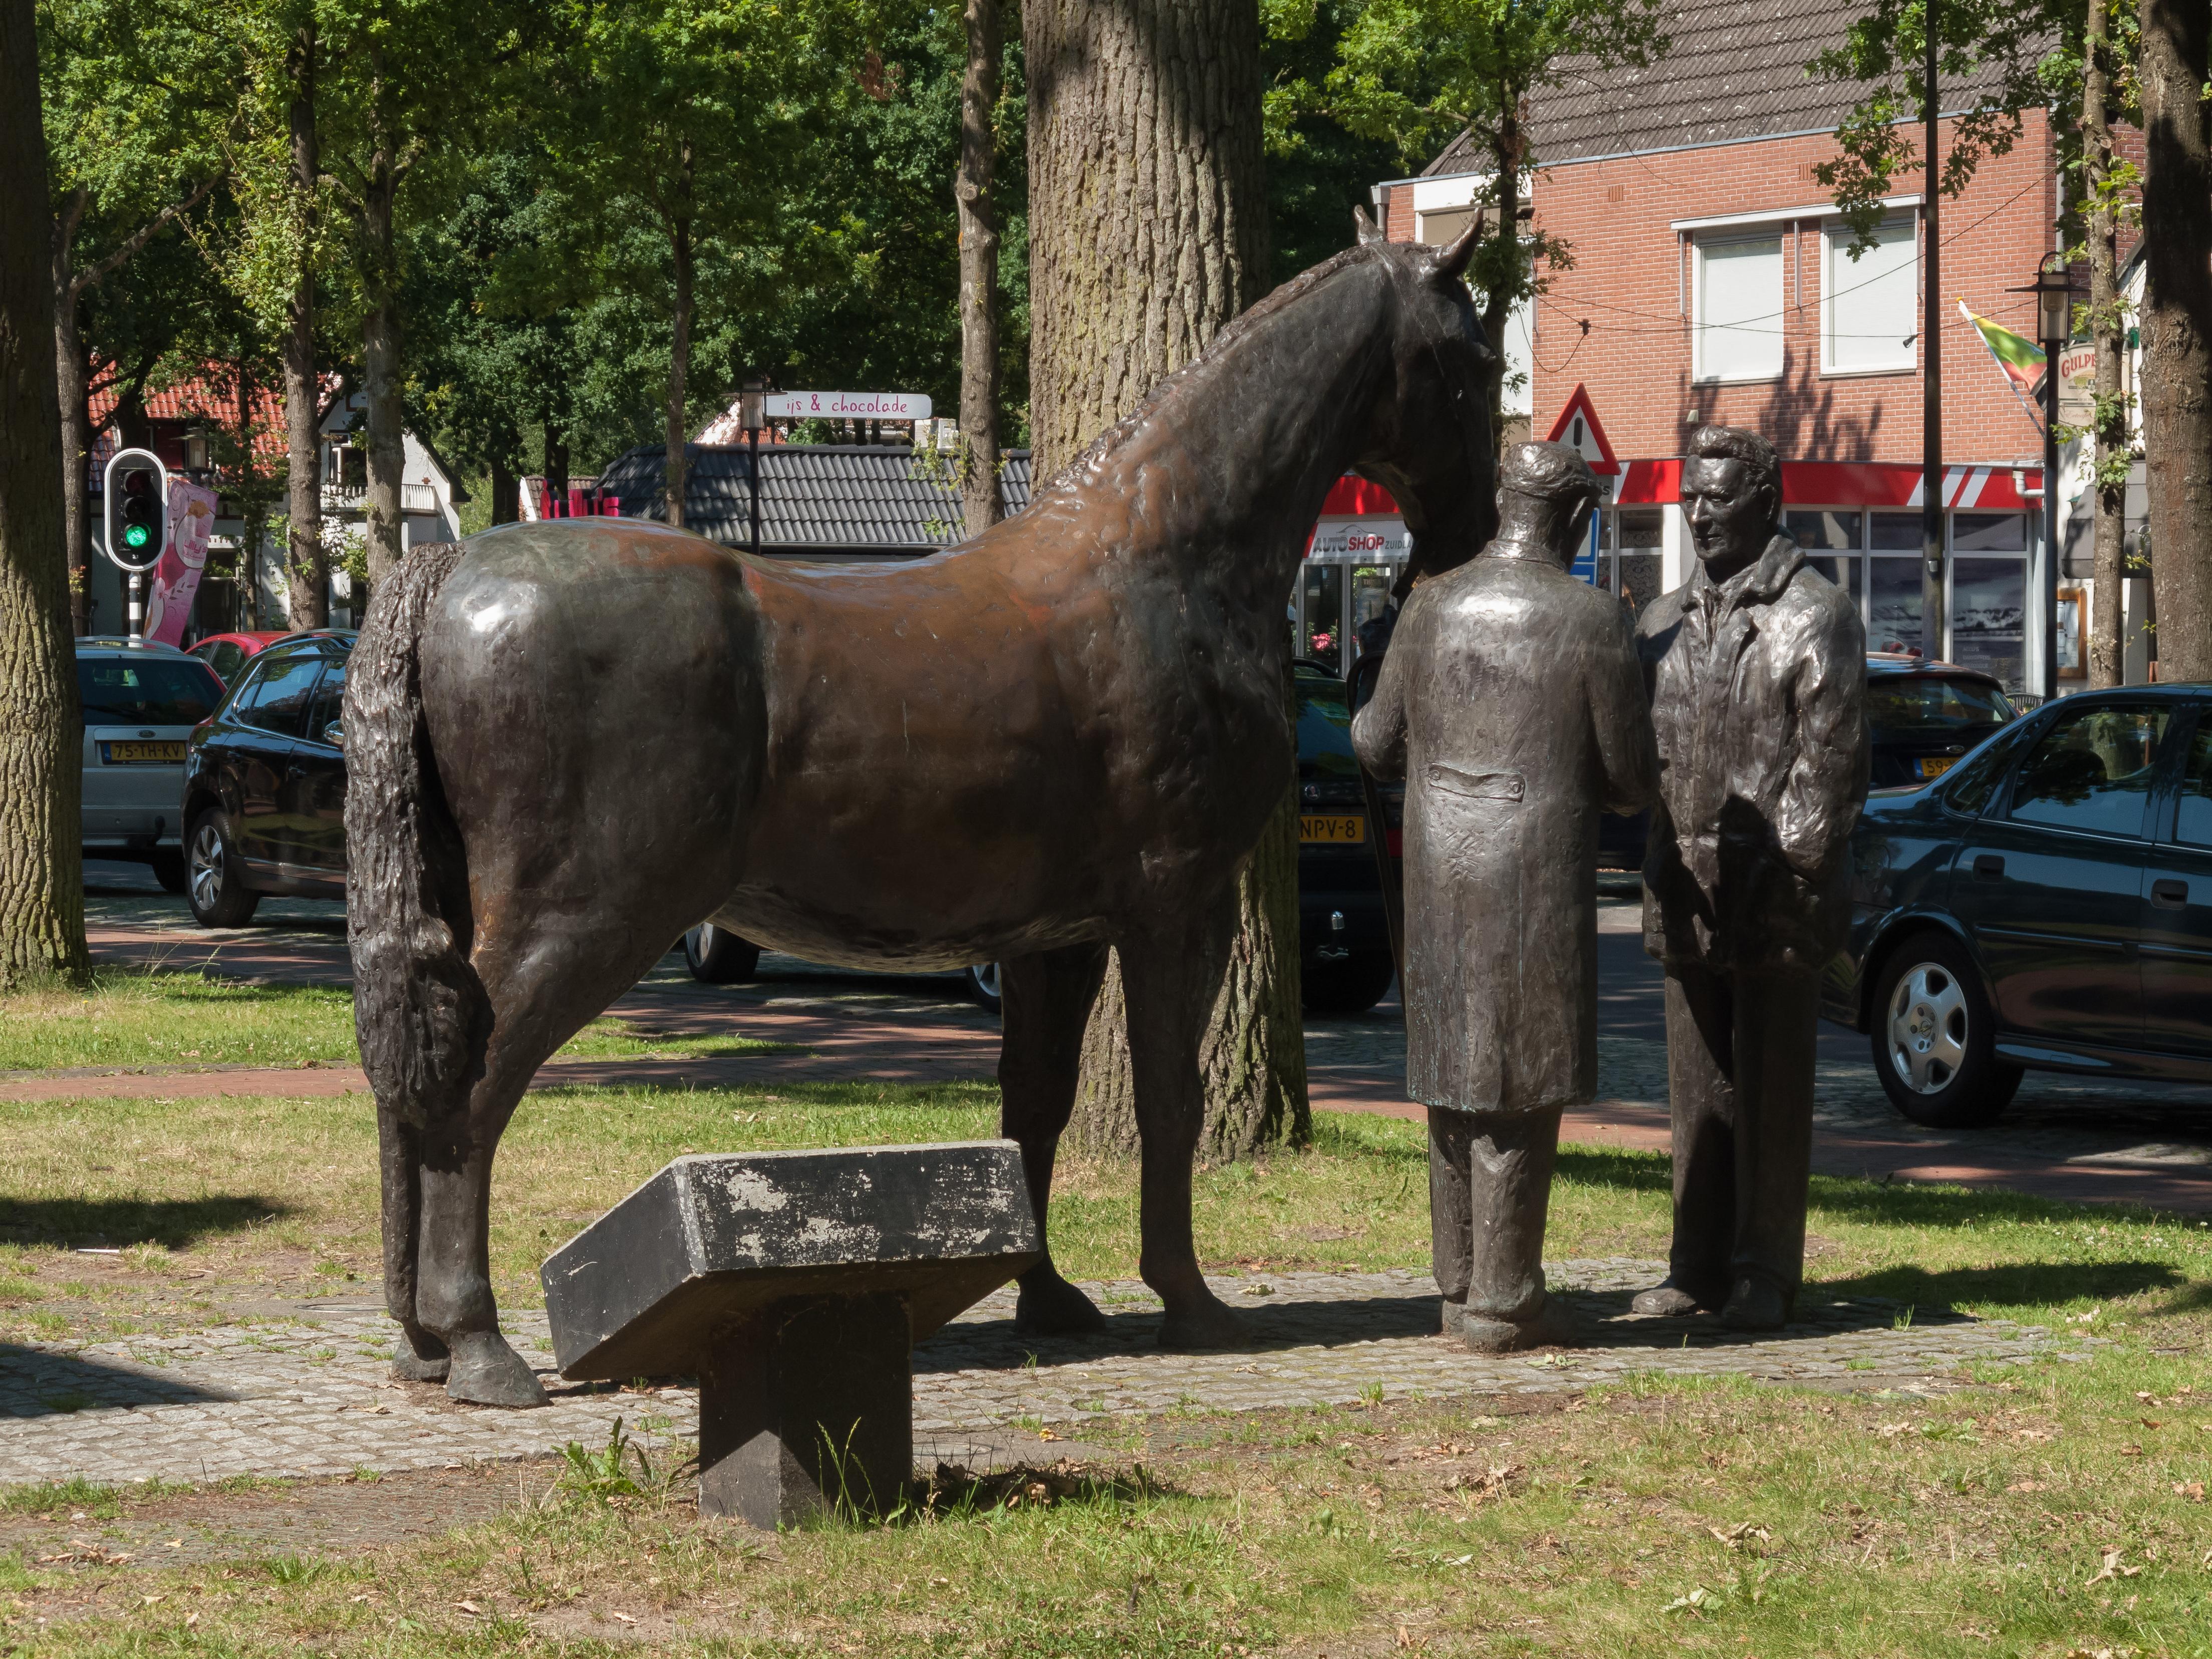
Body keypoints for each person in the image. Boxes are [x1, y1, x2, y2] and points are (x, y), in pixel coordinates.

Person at [1352, 442, 1659, 1352]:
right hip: (1533, 873)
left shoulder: (1429, 605)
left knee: (1453, 1075)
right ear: (1572, 519)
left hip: (1441, 873)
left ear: (1503, 504)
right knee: (1520, 1084)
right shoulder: (1594, 619)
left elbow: (1374, 742)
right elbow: (1631, 778)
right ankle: (1506, 1298)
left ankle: (1457, 1286)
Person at [1630, 426, 1869, 1331]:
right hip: (1686, 885)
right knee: (1698, 1088)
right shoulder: (1657, 622)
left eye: (1719, 498)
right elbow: (1639, 754)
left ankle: (1764, 1268)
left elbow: (1832, 767)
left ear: (1767, 503)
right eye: (1692, 496)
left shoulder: (1817, 615)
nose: (1699, 512)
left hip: (1776, 899)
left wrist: (1782, 873)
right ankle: (1694, 1263)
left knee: (1771, 1088)